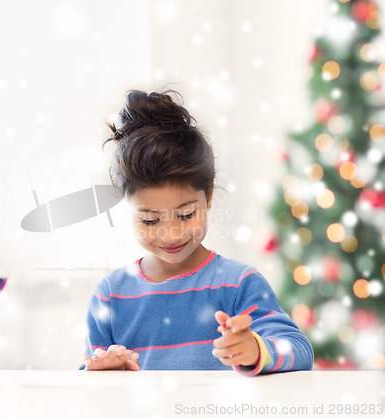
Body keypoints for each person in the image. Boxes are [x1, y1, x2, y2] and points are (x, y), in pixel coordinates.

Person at [81, 89, 313, 375]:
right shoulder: (110, 295)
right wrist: (106, 377)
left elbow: (298, 350)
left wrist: (255, 350)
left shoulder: (238, 285)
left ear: (209, 195)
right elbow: (87, 381)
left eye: (186, 214)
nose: (171, 234)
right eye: (150, 220)